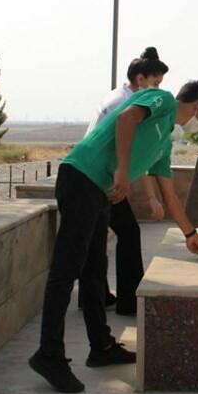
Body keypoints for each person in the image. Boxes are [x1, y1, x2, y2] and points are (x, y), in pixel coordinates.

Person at [29, 81, 198, 394]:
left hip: (100, 191)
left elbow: (170, 197)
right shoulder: (164, 100)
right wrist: (122, 171)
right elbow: (126, 118)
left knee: (94, 272)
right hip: (82, 176)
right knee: (66, 271)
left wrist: (190, 234)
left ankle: (101, 346)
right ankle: (49, 354)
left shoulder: (163, 142)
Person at [81, 47, 168, 315]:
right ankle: (129, 300)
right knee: (128, 232)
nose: (157, 91)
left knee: (97, 239)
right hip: (99, 177)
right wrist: (148, 194)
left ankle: (94, 296)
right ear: (140, 79)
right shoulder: (126, 105)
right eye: (155, 83)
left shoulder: (120, 97)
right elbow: (126, 151)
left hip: (95, 174)